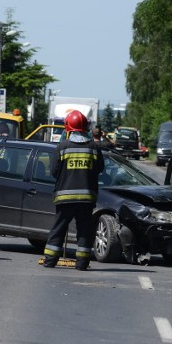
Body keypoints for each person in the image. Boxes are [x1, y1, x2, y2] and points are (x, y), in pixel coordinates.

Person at [42, 110, 104, 271]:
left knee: (58, 229)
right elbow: (100, 169)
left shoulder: (62, 146)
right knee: (84, 230)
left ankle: (50, 260)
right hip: (86, 198)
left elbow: (54, 171)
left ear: (68, 128)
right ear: (85, 128)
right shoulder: (94, 147)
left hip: (65, 198)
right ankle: (82, 263)